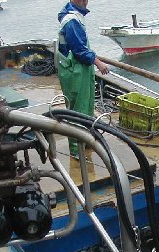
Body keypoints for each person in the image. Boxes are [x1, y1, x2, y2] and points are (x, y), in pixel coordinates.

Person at [57, 0, 109, 157]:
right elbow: (80, 50)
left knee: (85, 107)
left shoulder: (73, 15)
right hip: (75, 71)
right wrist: (99, 63)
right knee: (77, 110)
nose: (87, 2)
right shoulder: (72, 21)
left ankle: (84, 141)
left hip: (78, 69)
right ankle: (76, 149)